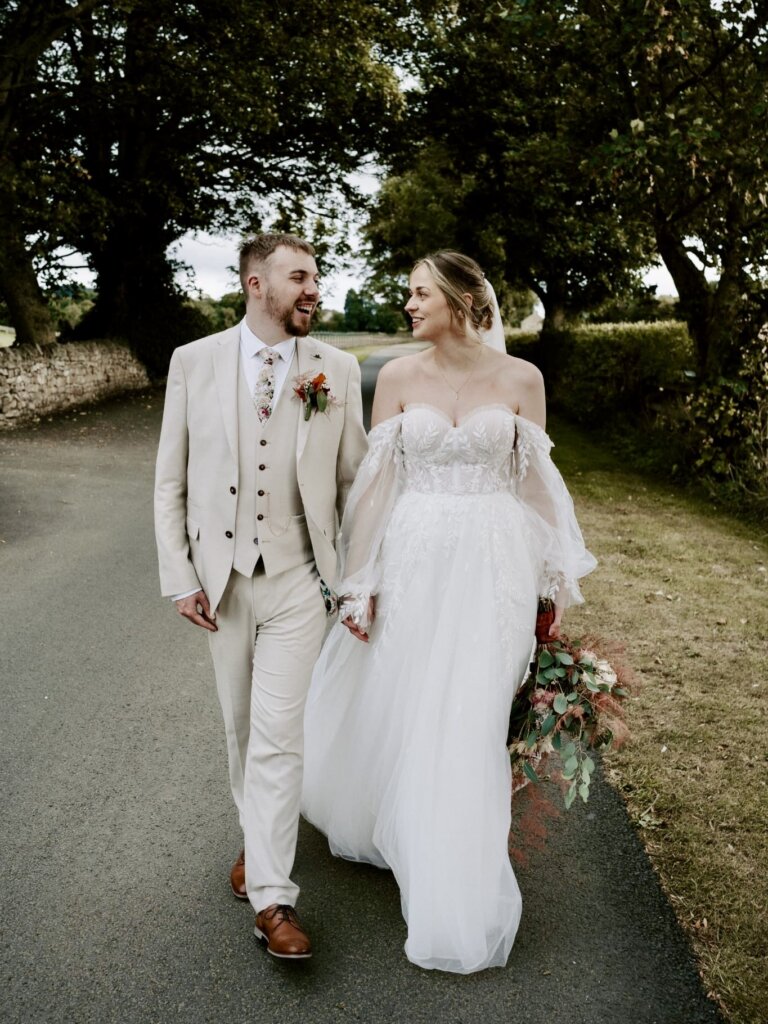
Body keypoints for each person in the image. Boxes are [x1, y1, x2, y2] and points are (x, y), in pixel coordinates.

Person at [301, 251, 596, 973]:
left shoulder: (523, 380)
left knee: (472, 705)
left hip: (494, 563)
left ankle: (455, 862)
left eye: (420, 292)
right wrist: (360, 581)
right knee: (410, 693)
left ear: (464, 300)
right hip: (415, 555)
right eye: (409, 293)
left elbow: (534, 485)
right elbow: (376, 489)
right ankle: (405, 824)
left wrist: (550, 576)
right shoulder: (399, 378)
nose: (408, 304)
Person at [154, 233, 367, 959]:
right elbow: (170, 480)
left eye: (316, 277)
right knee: (241, 730)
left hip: (302, 583)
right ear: (255, 284)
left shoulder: (337, 369)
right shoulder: (195, 362)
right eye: (299, 276)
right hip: (223, 582)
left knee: (279, 738)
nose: (313, 289)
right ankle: (259, 838)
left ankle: (274, 900)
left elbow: (353, 486)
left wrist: (356, 582)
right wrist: (180, 574)